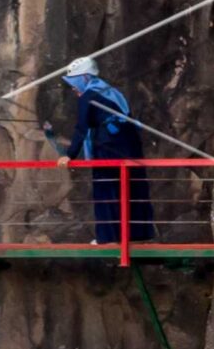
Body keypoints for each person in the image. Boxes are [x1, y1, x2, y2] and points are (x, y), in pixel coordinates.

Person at [51, 57, 156, 245]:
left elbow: (81, 128)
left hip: (108, 146)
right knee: (132, 187)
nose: (73, 88)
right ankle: (138, 235)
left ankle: (109, 238)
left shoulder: (89, 96)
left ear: (84, 78)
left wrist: (69, 155)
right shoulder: (111, 91)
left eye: (74, 82)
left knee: (106, 189)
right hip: (130, 143)